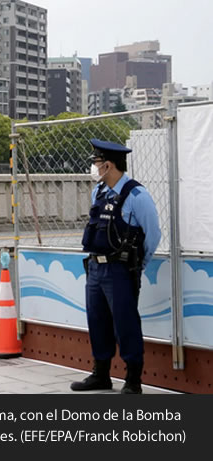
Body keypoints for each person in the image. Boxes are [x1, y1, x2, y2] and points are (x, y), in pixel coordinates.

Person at [71, 138, 161, 394]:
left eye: (96, 163)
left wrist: (138, 264)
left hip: (121, 271)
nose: (94, 167)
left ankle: (133, 380)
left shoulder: (136, 195)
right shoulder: (98, 192)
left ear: (108, 165)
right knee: (97, 320)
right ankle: (101, 374)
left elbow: (153, 234)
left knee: (125, 323)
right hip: (96, 269)